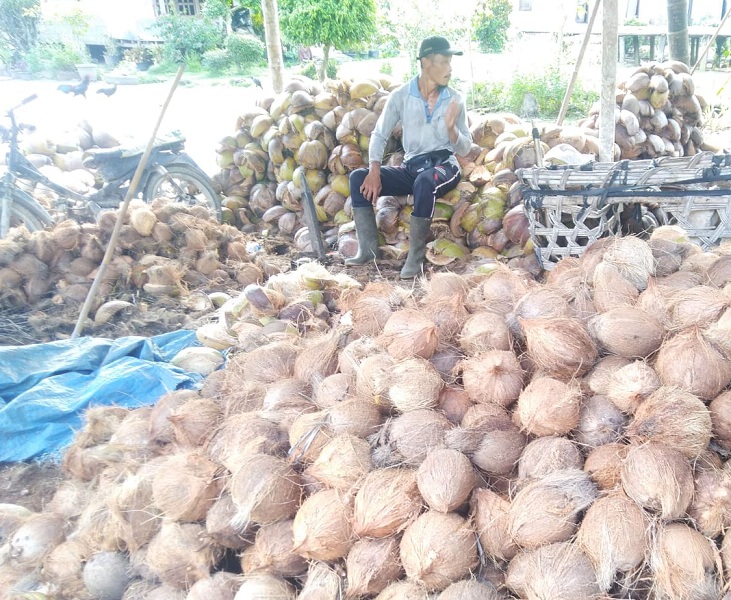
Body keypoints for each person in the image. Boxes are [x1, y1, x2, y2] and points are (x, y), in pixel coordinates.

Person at [345, 36, 472, 278]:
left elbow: (465, 148)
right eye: (445, 61)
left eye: (451, 62)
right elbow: (379, 134)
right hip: (411, 167)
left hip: (444, 165)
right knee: (357, 178)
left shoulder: (455, 99)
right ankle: (368, 250)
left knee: (425, 181)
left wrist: (452, 129)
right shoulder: (401, 96)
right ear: (426, 62)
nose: (450, 68)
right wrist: (374, 170)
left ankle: (415, 257)